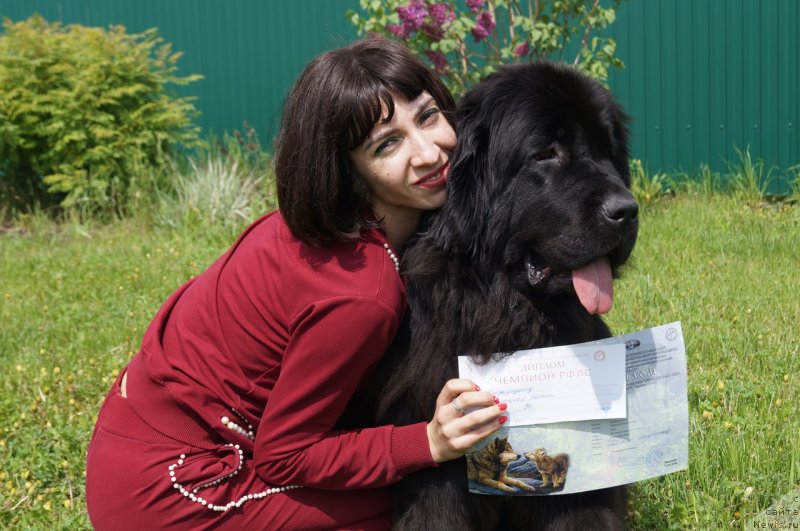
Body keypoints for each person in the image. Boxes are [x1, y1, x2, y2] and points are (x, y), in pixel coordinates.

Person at [85, 37, 507, 530]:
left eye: (429, 115)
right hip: (173, 489)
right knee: (425, 501)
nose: (429, 151)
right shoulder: (361, 294)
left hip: (130, 445)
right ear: (348, 171)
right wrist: (428, 442)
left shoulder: (304, 225)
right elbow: (285, 456)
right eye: (387, 144)